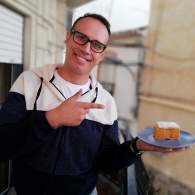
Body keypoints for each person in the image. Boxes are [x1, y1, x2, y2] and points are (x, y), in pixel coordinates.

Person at [0, 13, 186, 195]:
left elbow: (106, 162)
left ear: (102, 55)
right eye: (81, 37)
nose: (87, 49)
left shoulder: (106, 103)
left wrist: (137, 147)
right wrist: (51, 119)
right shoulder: (29, 82)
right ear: (68, 37)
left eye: (96, 44)